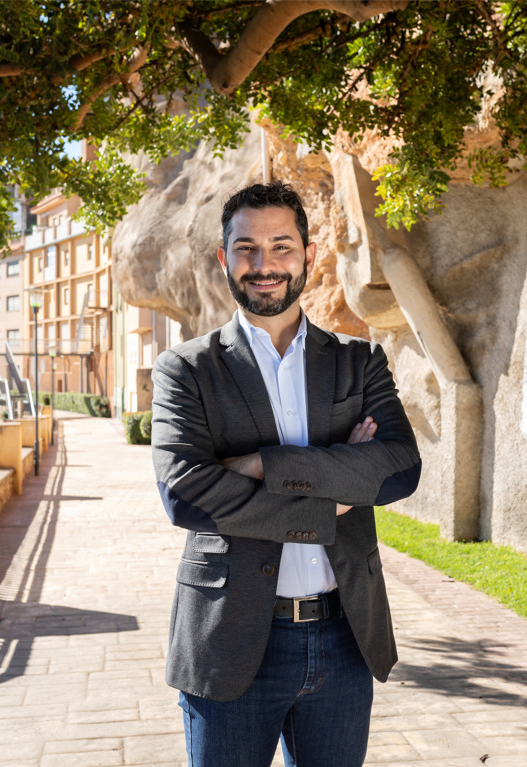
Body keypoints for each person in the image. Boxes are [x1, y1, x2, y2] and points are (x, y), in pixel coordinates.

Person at [150, 180, 422, 767]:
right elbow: (187, 497)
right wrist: (336, 491)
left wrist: (263, 466)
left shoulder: (359, 361)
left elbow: (399, 468)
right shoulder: (185, 371)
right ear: (224, 259)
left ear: (308, 255)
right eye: (246, 248)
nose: (264, 264)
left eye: (281, 246)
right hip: (229, 639)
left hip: (344, 636)